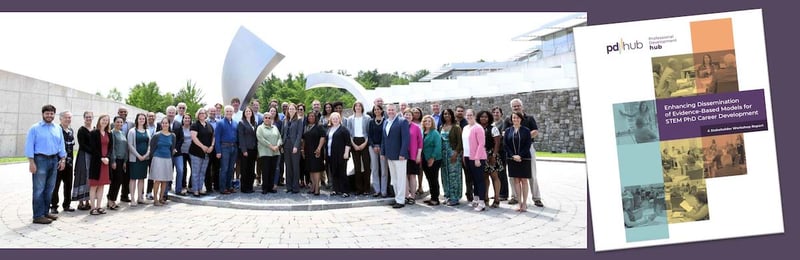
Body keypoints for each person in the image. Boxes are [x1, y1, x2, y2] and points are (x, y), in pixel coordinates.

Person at [26, 105, 67, 224]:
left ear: (54, 115)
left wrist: (63, 159)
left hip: (54, 160)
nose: (49, 115)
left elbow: (61, 144)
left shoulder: (57, 128)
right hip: (40, 160)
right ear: (43, 114)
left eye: (51, 113)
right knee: (39, 189)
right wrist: (31, 162)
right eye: (47, 113)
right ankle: (38, 215)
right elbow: (29, 146)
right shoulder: (35, 128)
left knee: (49, 189)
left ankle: (45, 212)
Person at [504, 98, 544, 208]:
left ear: (522, 106)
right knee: (513, 176)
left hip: (527, 149)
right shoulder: (508, 119)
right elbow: (505, 133)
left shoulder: (529, 118)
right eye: (514, 106)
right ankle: (515, 197)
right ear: (511, 108)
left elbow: (535, 131)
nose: (516, 107)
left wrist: (523, 137)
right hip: (512, 151)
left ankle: (536, 198)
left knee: (532, 174)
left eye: (518, 106)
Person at [381, 104, 410, 208]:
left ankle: (401, 200)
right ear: (386, 111)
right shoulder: (385, 122)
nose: (390, 111)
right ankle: (397, 197)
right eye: (389, 110)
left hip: (399, 155)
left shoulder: (402, 121)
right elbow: (384, 139)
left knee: (401, 178)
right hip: (389, 155)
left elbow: (406, 139)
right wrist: (383, 152)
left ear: (396, 110)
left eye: (392, 110)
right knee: (394, 178)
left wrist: (402, 153)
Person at [505, 112, 533, 212]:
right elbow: (506, 145)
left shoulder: (526, 130)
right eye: (513, 118)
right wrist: (513, 155)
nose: (515, 119)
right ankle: (519, 203)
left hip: (524, 158)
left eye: (517, 117)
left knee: (524, 181)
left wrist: (520, 155)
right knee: (516, 180)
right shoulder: (508, 130)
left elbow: (527, 145)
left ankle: (525, 203)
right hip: (512, 159)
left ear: (521, 119)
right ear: (511, 119)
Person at [462, 109, 488, 212]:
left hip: (477, 157)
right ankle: (476, 198)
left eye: (471, 115)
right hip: (468, 157)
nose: (469, 117)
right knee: (473, 179)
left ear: (474, 116)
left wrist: (477, 158)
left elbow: (481, 144)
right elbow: (465, 144)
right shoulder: (465, 128)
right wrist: (464, 156)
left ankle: (482, 203)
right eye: (467, 115)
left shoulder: (478, 128)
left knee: (480, 180)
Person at [88, 114, 113, 215]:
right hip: (96, 162)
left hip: (106, 162)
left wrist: (107, 157)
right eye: (103, 120)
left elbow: (111, 148)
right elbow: (93, 148)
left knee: (102, 185)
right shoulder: (94, 133)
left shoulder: (109, 133)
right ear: (99, 120)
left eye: (107, 120)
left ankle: (99, 206)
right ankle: (93, 208)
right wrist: (101, 158)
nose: (105, 122)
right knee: (94, 185)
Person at [50, 110, 75, 214]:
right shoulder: (56, 130)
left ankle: (67, 205)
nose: (68, 119)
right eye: (66, 117)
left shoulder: (71, 130)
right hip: (58, 162)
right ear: (60, 119)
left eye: (69, 118)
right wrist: (61, 160)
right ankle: (54, 206)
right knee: (55, 185)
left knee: (68, 185)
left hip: (69, 162)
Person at [478, 110, 503, 208]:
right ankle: (485, 198)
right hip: (481, 155)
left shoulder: (493, 128)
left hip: (491, 154)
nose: (483, 118)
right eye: (482, 117)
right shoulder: (477, 128)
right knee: (484, 177)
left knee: (494, 177)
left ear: (489, 118)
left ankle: (497, 199)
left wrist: (494, 155)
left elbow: (497, 143)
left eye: (486, 117)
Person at [346, 102, 372, 196]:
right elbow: (349, 133)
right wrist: (353, 144)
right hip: (354, 141)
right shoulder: (350, 119)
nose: (358, 107)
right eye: (356, 106)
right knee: (357, 166)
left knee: (366, 166)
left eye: (359, 106)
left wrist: (365, 143)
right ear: (354, 107)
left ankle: (367, 188)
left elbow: (369, 132)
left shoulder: (367, 118)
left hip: (364, 141)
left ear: (362, 107)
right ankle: (359, 188)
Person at [438, 108, 463, 206]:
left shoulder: (456, 127)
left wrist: (455, 154)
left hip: (453, 153)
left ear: (452, 115)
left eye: (448, 114)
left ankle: (455, 197)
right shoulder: (441, 127)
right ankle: (447, 195)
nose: (446, 115)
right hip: (443, 154)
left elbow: (460, 143)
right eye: (444, 114)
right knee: (445, 175)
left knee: (454, 176)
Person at [150, 118, 176, 206]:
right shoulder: (156, 135)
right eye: (163, 123)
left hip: (167, 159)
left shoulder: (172, 136)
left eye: (166, 123)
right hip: (158, 159)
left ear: (169, 124)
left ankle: (161, 198)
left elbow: (172, 148)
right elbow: (152, 148)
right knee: (157, 179)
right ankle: (155, 199)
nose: (165, 125)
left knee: (165, 180)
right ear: (161, 124)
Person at [190, 108, 215, 196]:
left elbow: (213, 136)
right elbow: (194, 137)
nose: (202, 114)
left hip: (207, 153)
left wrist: (211, 146)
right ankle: (195, 189)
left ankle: (200, 188)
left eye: (203, 113)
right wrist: (202, 146)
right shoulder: (194, 125)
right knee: (196, 172)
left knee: (202, 172)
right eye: (200, 113)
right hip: (196, 152)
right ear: (198, 114)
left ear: (206, 114)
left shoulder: (209, 125)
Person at [326, 112, 352, 197]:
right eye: (333, 119)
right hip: (331, 154)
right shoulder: (330, 129)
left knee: (342, 173)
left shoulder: (343, 129)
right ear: (331, 120)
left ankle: (345, 191)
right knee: (334, 172)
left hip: (341, 155)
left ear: (339, 119)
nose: (335, 120)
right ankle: (335, 189)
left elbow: (348, 142)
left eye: (336, 118)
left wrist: (346, 153)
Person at [127, 113, 150, 206]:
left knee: (142, 178)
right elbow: (130, 145)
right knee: (133, 178)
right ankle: (132, 199)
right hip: (135, 159)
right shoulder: (132, 131)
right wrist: (138, 156)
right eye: (140, 118)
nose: (142, 120)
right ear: (137, 120)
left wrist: (146, 155)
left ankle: (140, 197)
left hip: (145, 158)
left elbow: (150, 144)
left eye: (143, 119)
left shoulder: (147, 131)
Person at [106, 116, 128, 210]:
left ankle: (111, 199)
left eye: (121, 122)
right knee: (116, 180)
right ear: (114, 123)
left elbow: (125, 147)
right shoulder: (112, 133)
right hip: (116, 160)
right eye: (117, 122)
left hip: (122, 160)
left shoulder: (122, 133)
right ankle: (111, 200)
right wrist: (113, 160)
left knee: (119, 180)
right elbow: (112, 148)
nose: (119, 124)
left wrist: (125, 161)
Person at [402, 108, 423, 205]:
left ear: (412, 116)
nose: (407, 116)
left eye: (409, 115)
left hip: (413, 155)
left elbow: (420, 143)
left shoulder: (416, 127)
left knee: (412, 176)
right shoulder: (401, 126)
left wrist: (419, 154)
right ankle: (406, 195)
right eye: (405, 114)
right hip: (403, 155)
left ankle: (413, 196)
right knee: (405, 176)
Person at [302, 111, 326, 196]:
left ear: (315, 117)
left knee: (316, 169)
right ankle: (312, 187)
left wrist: (319, 148)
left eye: (312, 116)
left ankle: (317, 188)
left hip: (316, 151)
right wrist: (302, 150)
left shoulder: (319, 126)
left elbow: (323, 137)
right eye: (309, 116)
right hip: (308, 151)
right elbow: (304, 139)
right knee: (310, 169)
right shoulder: (306, 127)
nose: (311, 117)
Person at [73, 111, 93, 211]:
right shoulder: (81, 130)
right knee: (82, 175)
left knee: (89, 176)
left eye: (90, 117)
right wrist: (93, 151)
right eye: (87, 117)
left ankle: (88, 201)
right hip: (83, 155)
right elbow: (82, 144)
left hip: (92, 156)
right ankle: (81, 201)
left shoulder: (94, 130)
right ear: (84, 118)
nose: (89, 119)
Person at [257, 112, 282, 194]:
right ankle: (265, 188)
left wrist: (277, 146)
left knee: (272, 170)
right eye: (266, 117)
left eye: (269, 118)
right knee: (265, 171)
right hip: (265, 152)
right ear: (263, 119)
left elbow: (279, 138)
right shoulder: (260, 128)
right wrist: (271, 146)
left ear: (271, 119)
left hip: (275, 152)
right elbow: (261, 139)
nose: (267, 119)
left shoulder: (275, 127)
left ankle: (271, 187)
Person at [215, 105, 238, 194]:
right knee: (224, 168)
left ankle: (229, 186)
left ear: (233, 113)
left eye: (230, 111)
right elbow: (217, 138)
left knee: (231, 169)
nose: (229, 113)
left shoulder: (235, 123)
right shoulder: (220, 123)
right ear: (224, 112)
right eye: (227, 111)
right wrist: (218, 151)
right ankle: (223, 188)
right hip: (224, 147)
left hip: (234, 147)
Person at [421, 115, 443, 206]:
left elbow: (438, 146)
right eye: (425, 121)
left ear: (432, 123)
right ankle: (432, 196)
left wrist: (432, 158)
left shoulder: (435, 133)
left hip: (434, 159)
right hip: (424, 158)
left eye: (429, 121)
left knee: (433, 178)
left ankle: (435, 199)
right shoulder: (423, 132)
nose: (427, 123)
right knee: (429, 178)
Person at [368, 104, 389, 197]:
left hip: (383, 147)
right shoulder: (371, 122)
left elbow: (385, 135)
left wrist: (380, 146)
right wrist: (373, 146)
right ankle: (377, 190)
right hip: (372, 147)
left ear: (381, 110)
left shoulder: (386, 121)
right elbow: (369, 135)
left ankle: (384, 191)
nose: (377, 111)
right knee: (375, 168)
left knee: (384, 169)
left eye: (378, 109)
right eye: (375, 109)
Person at [282, 103, 303, 193]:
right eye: (289, 109)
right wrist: (282, 145)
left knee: (295, 166)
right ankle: (289, 186)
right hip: (286, 144)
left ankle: (295, 187)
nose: (291, 110)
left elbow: (299, 134)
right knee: (288, 166)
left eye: (293, 109)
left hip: (294, 145)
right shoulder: (285, 120)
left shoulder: (299, 120)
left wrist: (296, 146)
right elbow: (282, 133)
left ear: (296, 110)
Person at [237, 106, 258, 193]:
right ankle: (244, 188)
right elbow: (241, 137)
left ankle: (250, 186)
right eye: (246, 111)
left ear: (252, 113)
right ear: (244, 113)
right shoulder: (241, 123)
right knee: (244, 169)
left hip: (253, 149)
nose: (248, 113)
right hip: (245, 150)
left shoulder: (255, 123)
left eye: (249, 111)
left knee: (251, 169)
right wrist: (244, 150)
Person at [491, 106, 509, 201]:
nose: (495, 114)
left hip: (501, 151)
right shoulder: (492, 124)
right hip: (493, 151)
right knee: (495, 173)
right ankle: (497, 193)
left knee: (502, 173)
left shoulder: (503, 124)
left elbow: (502, 137)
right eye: (494, 112)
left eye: (497, 112)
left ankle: (504, 194)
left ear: (501, 114)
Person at [176, 113, 193, 195]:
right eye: (185, 118)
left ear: (190, 120)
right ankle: (183, 186)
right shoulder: (180, 128)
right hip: (181, 152)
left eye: (188, 118)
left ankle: (190, 186)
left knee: (193, 169)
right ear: (183, 120)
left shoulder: (193, 128)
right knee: (183, 170)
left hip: (191, 152)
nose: (187, 120)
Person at [205, 106, 220, 193]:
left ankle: (217, 185)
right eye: (211, 111)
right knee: (207, 168)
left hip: (217, 147)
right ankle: (208, 187)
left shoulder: (219, 122)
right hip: (208, 148)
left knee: (217, 167)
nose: (213, 113)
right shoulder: (205, 122)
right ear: (208, 112)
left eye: (214, 111)